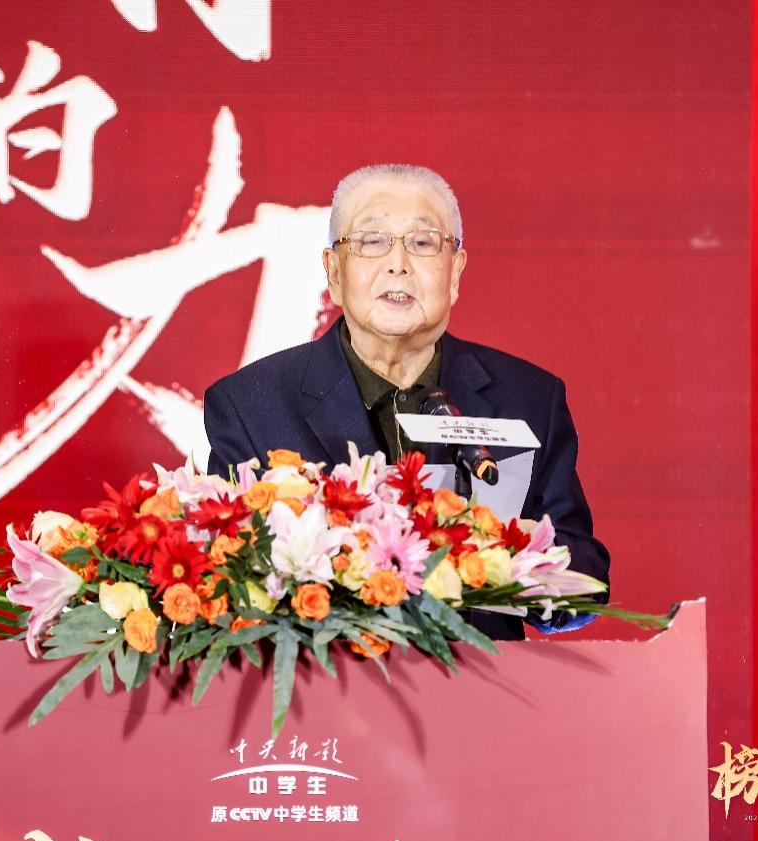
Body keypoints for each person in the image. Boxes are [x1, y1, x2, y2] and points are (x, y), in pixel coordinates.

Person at [203, 164, 609, 636]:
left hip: (485, 679)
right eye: (372, 241)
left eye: (422, 242)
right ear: (333, 272)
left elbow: (586, 577)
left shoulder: (529, 397)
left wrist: (509, 562)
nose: (397, 263)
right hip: (322, 679)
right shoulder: (251, 406)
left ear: (455, 271)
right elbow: (226, 578)